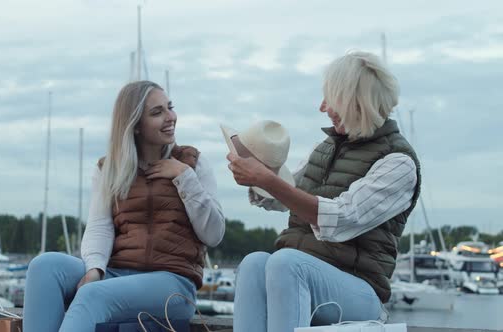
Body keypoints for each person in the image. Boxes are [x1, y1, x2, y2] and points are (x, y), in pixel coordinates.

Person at [227, 51, 421, 331]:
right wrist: (255, 174)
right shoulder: (326, 147)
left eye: (330, 98)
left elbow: (341, 218)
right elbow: (285, 194)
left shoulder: (398, 162)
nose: (322, 107)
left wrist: (269, 181)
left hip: (360, 291)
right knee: (255, 263)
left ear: (356, 102)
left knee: (286, 263)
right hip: (303, 271)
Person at [23, 80, 226, 332]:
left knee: (93, 296)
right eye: (157, 112)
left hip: (172, 283)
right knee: (45, 266)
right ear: (136, 125)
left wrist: (184, 178)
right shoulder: (110, 169)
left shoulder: (192, 164)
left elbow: (214, 234)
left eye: (169, 107)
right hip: (117, 274)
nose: (170, 117)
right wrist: (95, 269)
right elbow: (99, 227)